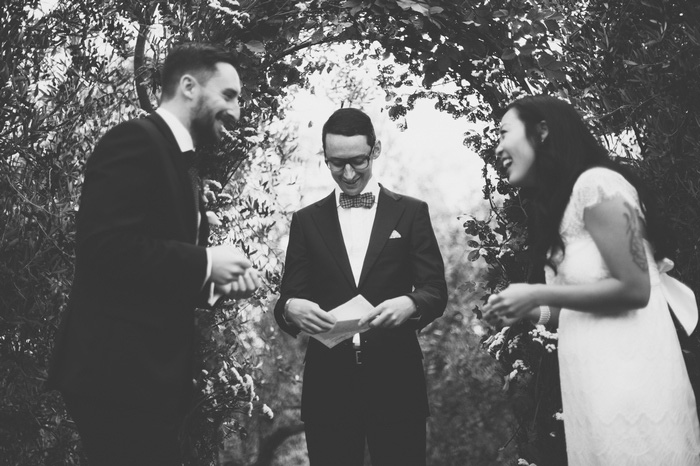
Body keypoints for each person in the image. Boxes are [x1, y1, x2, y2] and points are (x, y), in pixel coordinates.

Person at [47, 43, 261, 465]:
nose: (237, 111)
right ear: (188, 86)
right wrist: (205, 262)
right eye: (229, 95)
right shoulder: (134, 141)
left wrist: (214, 282)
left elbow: (150, 269)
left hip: (145, 380)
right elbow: (102, 247)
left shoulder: (182, 165)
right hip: (114, 377)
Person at [483, 95, 700, 465]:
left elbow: (635, 288)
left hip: (632, 385)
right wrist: (529, 311)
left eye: (504, 133)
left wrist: (535, 290)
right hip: (589, 388)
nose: (498, 147)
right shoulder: (560, 210)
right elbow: (570, 306)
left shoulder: (597, 185)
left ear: (542, 131)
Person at [274, 108, 447, 466]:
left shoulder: (411, 212)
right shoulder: (305, 222)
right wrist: (290, 308)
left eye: (358, 161)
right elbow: (287, 299)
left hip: (397, 382)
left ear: (376, 149)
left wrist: (410, 304)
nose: (349, 173)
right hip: (328, 387)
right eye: (337, 163)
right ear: (325, 156)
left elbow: (435, 290)